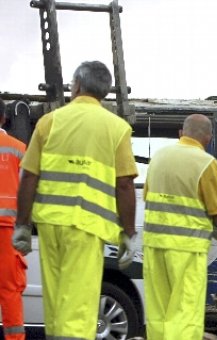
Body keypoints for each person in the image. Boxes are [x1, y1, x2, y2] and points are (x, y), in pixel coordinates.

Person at [12, 61, 138, 339]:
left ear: (77, 85)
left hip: (50, 225)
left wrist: (22, 224)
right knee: (78, 308)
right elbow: (126, 184)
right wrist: (128, 232)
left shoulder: (49, 122)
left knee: (57, 304)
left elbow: (29, 176)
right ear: (103, 92)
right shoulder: (116, 128)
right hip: (86, 227)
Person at [142, 114, 217, 339]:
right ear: (209, 138)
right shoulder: (206, 163)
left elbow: (148, 196)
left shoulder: (159, 158)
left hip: (153, 245)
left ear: (181, 133)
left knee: (159, 309)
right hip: (187, 248)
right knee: (185, 308)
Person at [0, 99, 27, 340]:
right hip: (8, 232)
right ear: (4, 118)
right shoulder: (18, 149)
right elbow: (29, 191)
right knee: (9, 291)